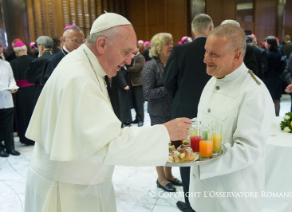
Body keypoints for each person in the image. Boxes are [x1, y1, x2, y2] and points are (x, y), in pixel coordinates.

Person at [24, 12, 191, 212]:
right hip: (67, 190)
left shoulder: (84, 65)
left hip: (82, 182)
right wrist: (165, 133)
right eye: (126, 51)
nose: (130, 61)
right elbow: (107, 144)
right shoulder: (79, 78)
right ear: (102, 44)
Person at [189, 24, 274, 211]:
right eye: (206, 52)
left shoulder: (254, 92)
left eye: (214, 54)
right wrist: (186, 133)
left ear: (237, 56)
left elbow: (249, 149)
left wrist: (200, 162)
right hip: (203, 192)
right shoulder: (212, 81)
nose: (205, 59)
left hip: (233, 197)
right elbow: (205, 124)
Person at [163, 14, 213, 212]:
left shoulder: (180, 50)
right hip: (211, 111)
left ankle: (189, 203)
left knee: (184, 158)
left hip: (182, 111)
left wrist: (180, 98)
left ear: (192, 31)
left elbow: (168, 82)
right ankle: (207, 202)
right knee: (209, 154)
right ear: (211, 28)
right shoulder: (217, 51)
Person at [142, 32, 182, 193]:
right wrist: (168, 88)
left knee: (171, 146)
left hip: (173, 110)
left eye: (171, 41)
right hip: (158, 112)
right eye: (167, 43)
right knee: (159, 146)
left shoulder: (173, 63)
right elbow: (147, 93)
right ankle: (161, 178)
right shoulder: (150, 66)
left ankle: (169, 174)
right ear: (158, 48)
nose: (171, 45)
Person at [9, 42, 35, 145]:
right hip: (34, 91)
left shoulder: (13, 63)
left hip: (20, 93)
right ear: (26, 50)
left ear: (16, 51)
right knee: (34, 113)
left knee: (23, 114)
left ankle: (25, 138)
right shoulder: (34, 60)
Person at [0, 42, 20, 157]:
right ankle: (1, 148)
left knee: (8, 125)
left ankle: (10, 147)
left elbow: (11, 79)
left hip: (7, 98)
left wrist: (13, 86)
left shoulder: (6, 64)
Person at [25, 36, 54, 108]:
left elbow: (29, 78)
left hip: (42, 91)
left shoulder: (38, 61)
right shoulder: (57, 57)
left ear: (41, 46)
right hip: (55, 90)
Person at [264, 36, 283, 116]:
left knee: (269, 98)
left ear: (269, 44)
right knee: (276, 99)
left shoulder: (267, 54)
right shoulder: (279, 52)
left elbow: (265, 67)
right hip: (278, 77)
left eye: (266, 42)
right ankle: (277, 115)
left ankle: (269, 116)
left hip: (268, 77)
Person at [127, 46, 145, 127]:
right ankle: (137, 118)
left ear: (138, 48)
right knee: (134, 102)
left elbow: (136, 68)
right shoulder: (132, 57)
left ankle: (141, 119)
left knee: (139, 102)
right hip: (131, 82)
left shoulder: (140, 57)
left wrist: (127, 69)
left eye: (133, 48)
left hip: (138, 82)